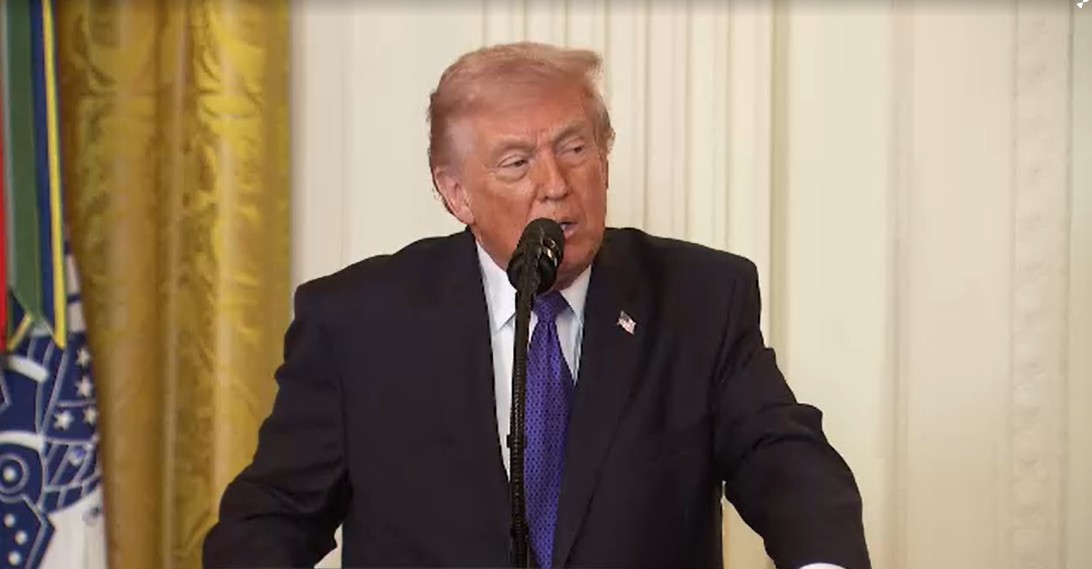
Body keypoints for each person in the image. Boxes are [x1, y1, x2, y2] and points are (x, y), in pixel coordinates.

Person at [203, 42, 869, 569]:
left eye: (575, 149)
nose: (555, 185)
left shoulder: (699, 297)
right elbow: (273, 515)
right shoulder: (360, 323)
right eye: (517, 163)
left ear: (604, 159)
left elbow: (782, 457)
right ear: (456, 193)